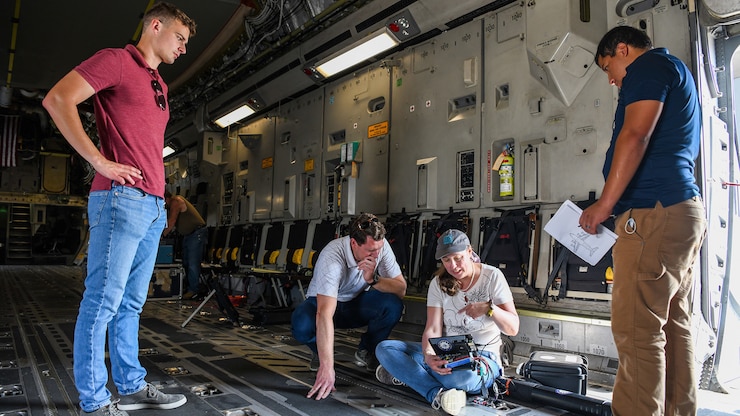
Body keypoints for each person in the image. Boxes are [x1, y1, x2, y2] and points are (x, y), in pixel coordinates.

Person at [42, 3, 196, 415]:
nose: (183, 48)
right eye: (179, 38)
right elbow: (58, 99)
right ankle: (94, 400)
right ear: (156, 26)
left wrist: (161, 204)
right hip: (119, 199)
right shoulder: (116, 61)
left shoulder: (159, 84)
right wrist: (98, 160)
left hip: (150, 205)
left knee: (131, 304)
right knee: (102, 302)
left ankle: (130, 384)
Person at [578, 26, 706, 416]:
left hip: (653, 216)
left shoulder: (648, 68)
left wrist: (604, 206)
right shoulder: (674, 69)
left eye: (608, 68)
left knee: (637, 331)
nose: (612, 79)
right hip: (678, 213)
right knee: (672, 328)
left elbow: (634, 137)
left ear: (623, 49)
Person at [374, 229, 519, 415]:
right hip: (449, 352)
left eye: (458, 258)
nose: (453, 266)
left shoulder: (492, 276)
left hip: (482, 356)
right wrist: (428, 355)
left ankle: (409, 375)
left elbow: (513, 328)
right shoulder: (438, 283)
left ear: (469, 251)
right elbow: (433, 328)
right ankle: (438, 394)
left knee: (462, 378)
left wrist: (490, 308)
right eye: (446, 260)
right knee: (384, 349)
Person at [291, 212, 407, 400]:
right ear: (354, 243)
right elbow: (324, 314)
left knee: (393, 305)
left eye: (378, 249)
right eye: (370, 251)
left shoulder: (380, 246)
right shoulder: (332, 255)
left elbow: (401, 289)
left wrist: (373, 279)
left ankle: (367, 350)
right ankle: (318, 353)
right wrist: (327, 367)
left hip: (356, 303)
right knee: (301, 324)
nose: (376, 255)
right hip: (324, 304)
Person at [163, 190, 207, 299]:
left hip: (196, 233)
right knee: (186, 262)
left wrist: (162, 236)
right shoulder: (171, 204)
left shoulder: (176, 201)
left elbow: (172, 221)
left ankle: (194, 290)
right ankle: (188, 288)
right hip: (188, 235)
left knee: (192, 263)